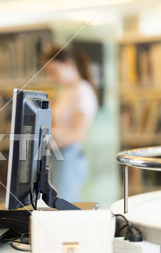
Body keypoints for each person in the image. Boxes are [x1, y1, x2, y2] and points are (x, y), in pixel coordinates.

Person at [44, 46, 99, 202]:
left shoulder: (82, 91)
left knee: (62, 206)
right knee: (56, 203)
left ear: (68, 64)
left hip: (69, 157)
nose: (53, 77)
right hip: (59, 156)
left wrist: (48, 144)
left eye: (54, 71)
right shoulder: (67, 90)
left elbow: (78, 134)